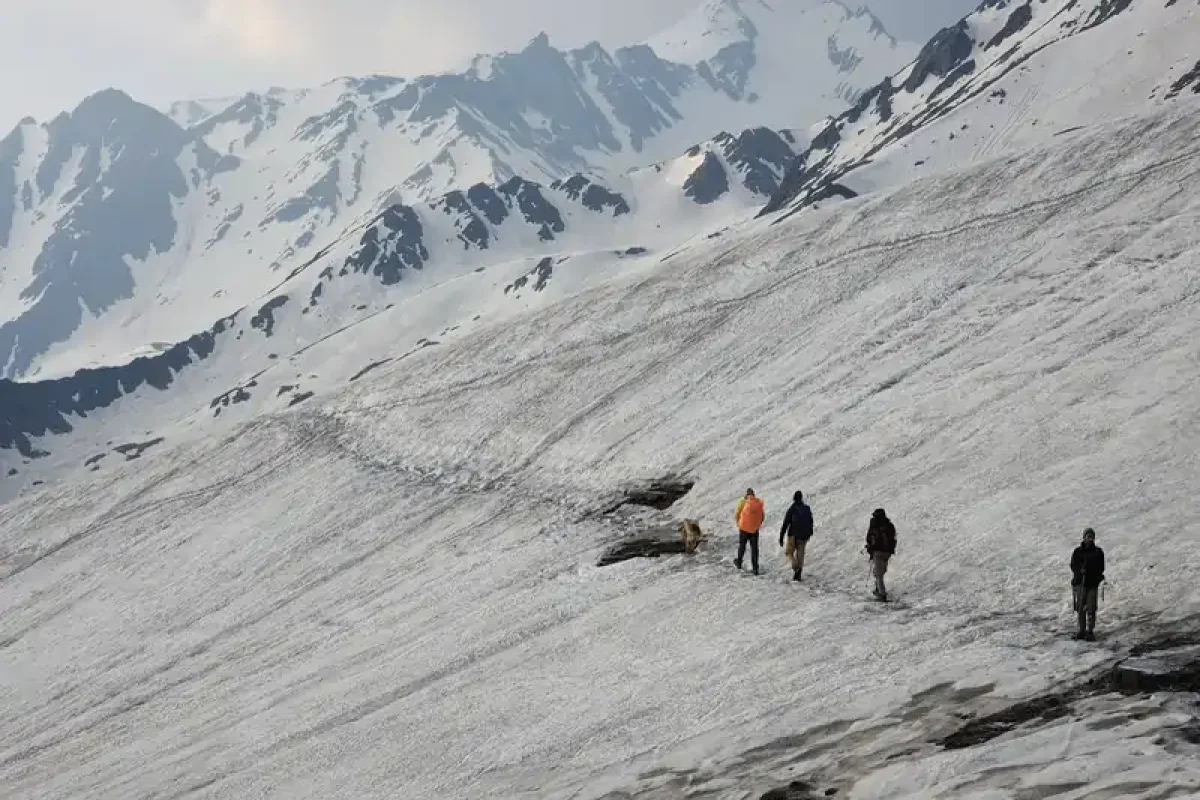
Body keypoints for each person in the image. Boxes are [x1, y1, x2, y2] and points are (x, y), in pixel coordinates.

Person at [1070, 527, 1105, 641]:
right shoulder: (1077, 552)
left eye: (1092, 536)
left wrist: (1094, 575)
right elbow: (1073, 566)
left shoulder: (1098, 552)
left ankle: (1090, 631)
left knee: (1091, 607)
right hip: (1080, 583)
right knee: (1080, 608)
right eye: (1088, 536)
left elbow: (1101, 567)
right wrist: (1080, 572)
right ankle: (1082, 630)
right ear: (1084, 537)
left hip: (1092, 584)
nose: (1090, 538)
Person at [778, 490, 814, 581]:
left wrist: (781, 537)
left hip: (793, 536)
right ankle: (799, 574)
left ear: (794, 498)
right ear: (801, 498)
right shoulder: (807, 508)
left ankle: (796, 568)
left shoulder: (792, 509)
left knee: (789, 553)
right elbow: (811, 521)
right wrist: (810, 533)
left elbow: (785, 523)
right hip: (804, 536)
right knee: (800, 555)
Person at [865, 509, 896, 601]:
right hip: (887, 552)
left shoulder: (874, 525)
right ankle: (878, 589)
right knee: (880, 571)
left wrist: (870, 548)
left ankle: (881, 594)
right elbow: (893, 538)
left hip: (877, 552)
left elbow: (868, 538)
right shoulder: (889, 525)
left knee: (878, 574)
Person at [733, 489, 765, 575]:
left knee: (742, 546)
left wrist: (739, 524)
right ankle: (755, 568)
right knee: (754, 549)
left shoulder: (742, 501)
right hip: (754, 530)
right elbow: (762, 517)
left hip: (743, 529)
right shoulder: (757, 503)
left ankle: (739, 562)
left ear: (746, 494)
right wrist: (756, 526)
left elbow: (736, 514)